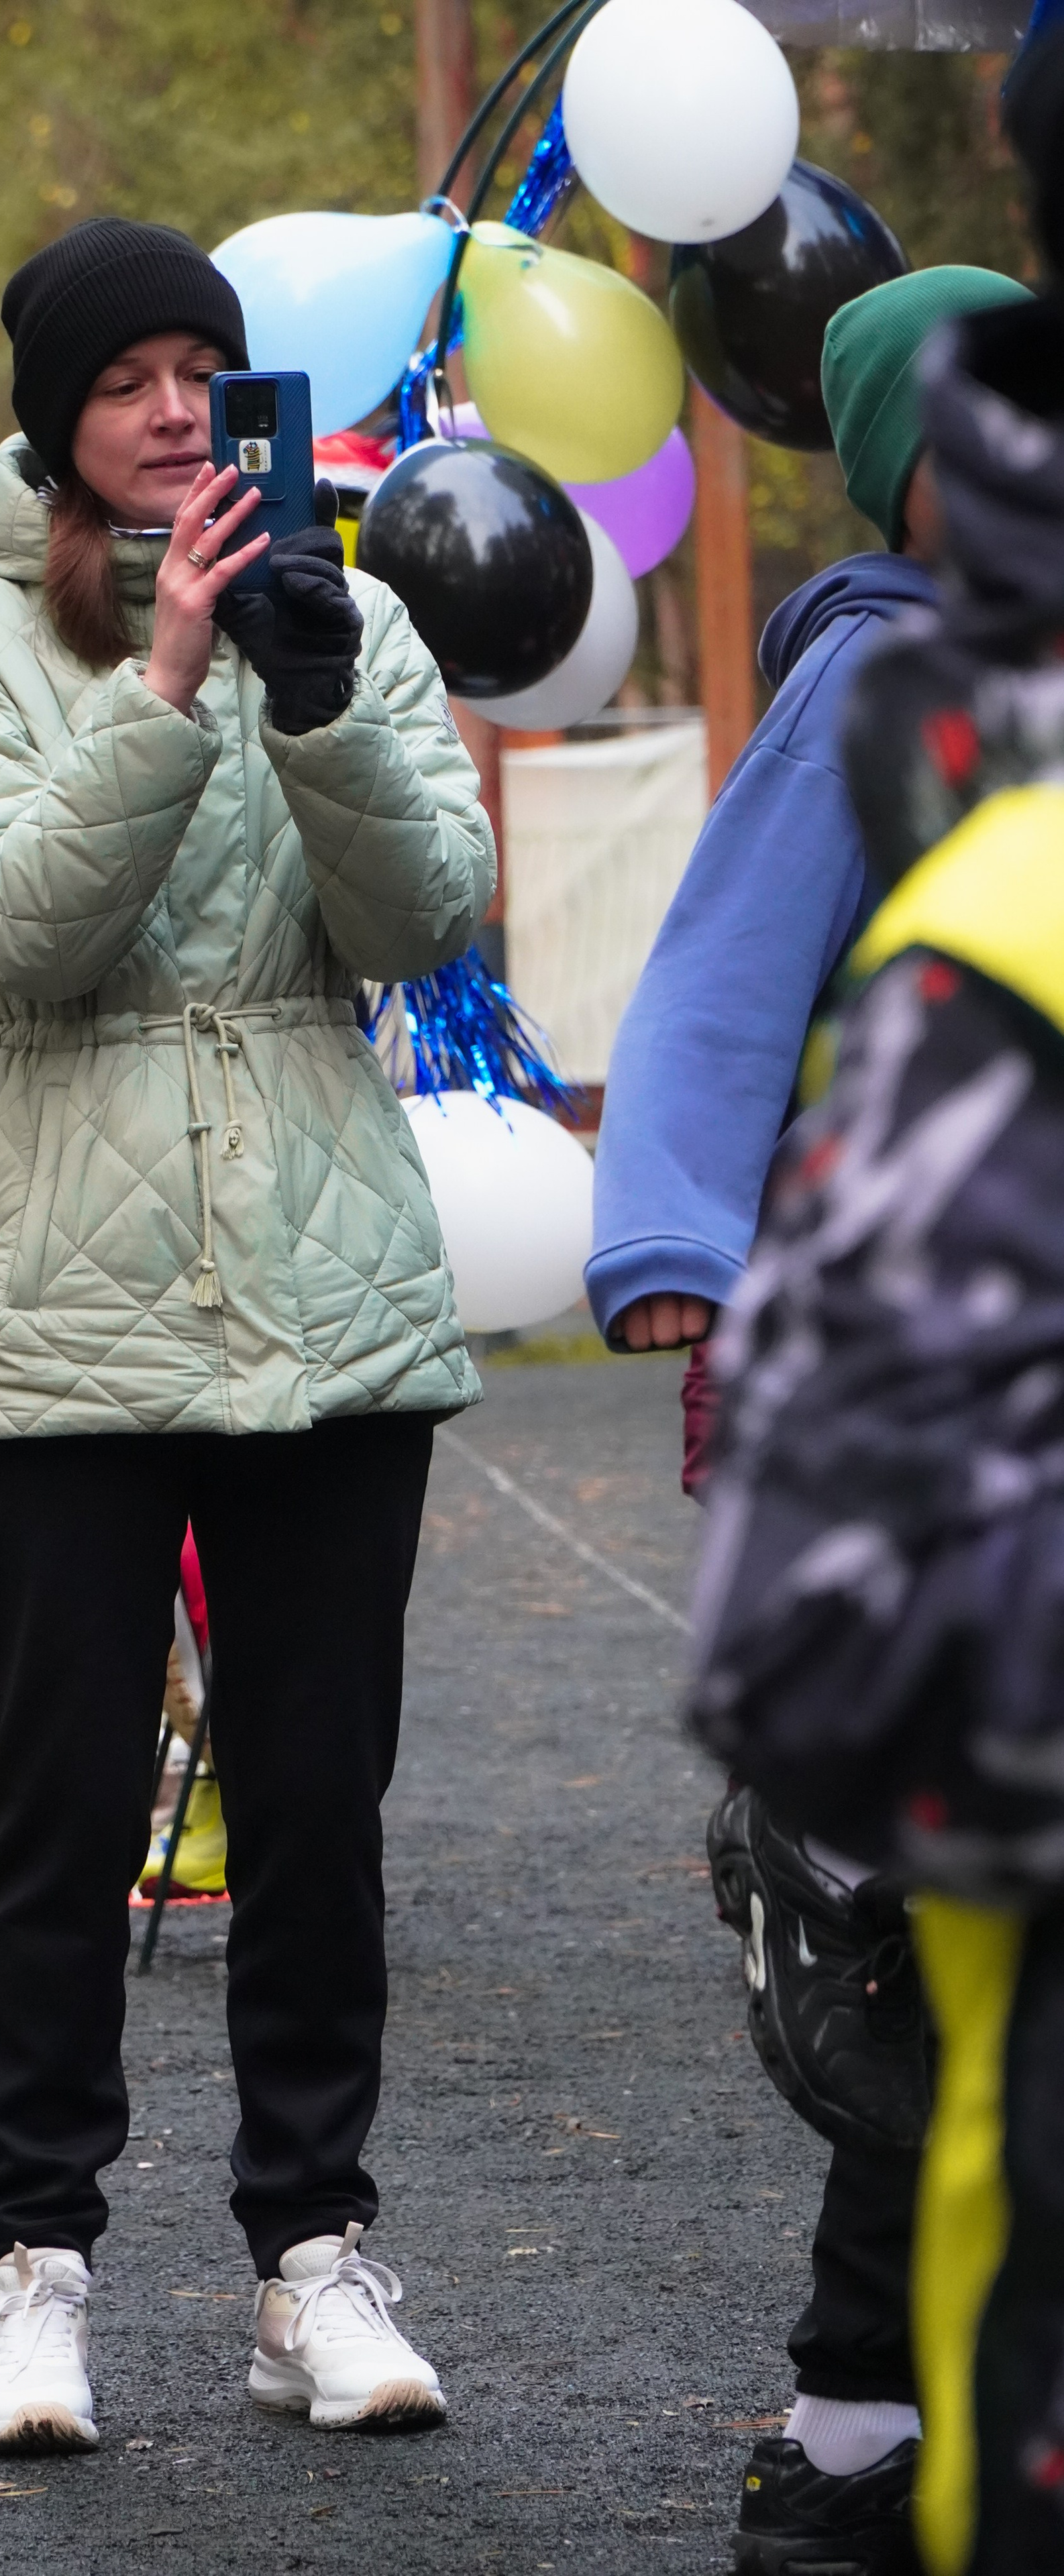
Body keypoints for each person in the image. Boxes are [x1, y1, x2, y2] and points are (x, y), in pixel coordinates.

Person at [0, 215, 493, 2456]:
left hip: (329, 1288)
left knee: (319, 1807)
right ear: (59, 423)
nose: (167, 404)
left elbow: (425, 916)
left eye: (198, 369)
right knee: (54, 1817)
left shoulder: (362, 621)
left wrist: (313, 692)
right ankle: (33, 2271)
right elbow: (8, 950)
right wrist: (155, 684)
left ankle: (309, 2262)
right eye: (122, 375)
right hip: (62, 1298)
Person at [588, 264, 1031, 2576]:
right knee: (930, 1909)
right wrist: (676, 1241)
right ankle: (855, 2435)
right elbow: (716, 984)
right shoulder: (879, 665)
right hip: (909, 1393)